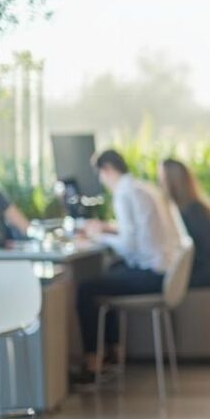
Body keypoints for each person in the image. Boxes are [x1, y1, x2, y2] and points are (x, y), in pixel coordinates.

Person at [75, 150, 181, 376]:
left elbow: (129, 246)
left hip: (153, 274)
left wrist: (98, 236)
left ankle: (93, 362)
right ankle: (114, 353)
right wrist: (108, 229)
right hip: (167, 272)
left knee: (86, 289)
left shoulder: (123, 193)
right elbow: (139, 233)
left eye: (101, 176)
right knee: (112, 271)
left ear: (107, 170)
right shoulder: (143, 188)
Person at [159, 158, 210, 288]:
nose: (159, 184)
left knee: (161, 280)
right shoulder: (194, 207)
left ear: (172, 181)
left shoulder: (192, 211)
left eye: (161, 178)